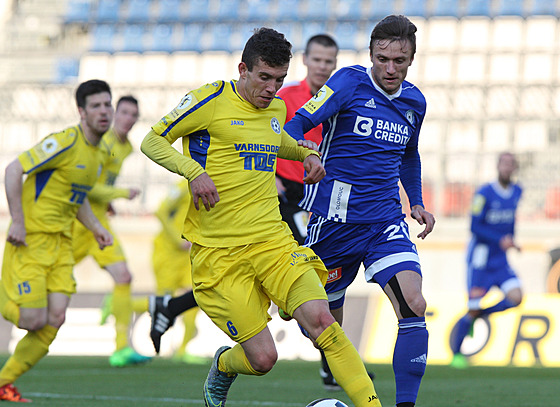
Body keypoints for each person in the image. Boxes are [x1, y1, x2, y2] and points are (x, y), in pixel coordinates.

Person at [141, 27, 381, 407]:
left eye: (280, 80)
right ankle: (224, 364)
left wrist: (306, 154)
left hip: (273, 239)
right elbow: (152, 140)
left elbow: (277, 141)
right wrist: (194, 172)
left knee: (323, 322)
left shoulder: (276, 108)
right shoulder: (210, 100)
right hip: (220, 253)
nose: (272, 88)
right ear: (243, 69)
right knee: (263, 359)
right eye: (264, 78)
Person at [283, 15, 435, 407]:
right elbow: (297, 125)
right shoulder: (348, 82)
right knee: (320, 325)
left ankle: (405, 403)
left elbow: (409, 155)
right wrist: (308, 154)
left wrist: (415, 201)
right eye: (382, 58)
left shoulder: (415, 102)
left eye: (399, 61)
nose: (390, 68)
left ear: (411, 59)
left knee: (413, 303)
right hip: (333, 222)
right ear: (371, 54)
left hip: (384, 220)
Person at [0, 80, 114, 402]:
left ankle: (3, 381)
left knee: (56, 317)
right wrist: (18, 222)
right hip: (32, 241)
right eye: (96, 106)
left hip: (61, 245)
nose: (104, 111)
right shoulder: (64, 142)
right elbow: (13, 169)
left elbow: (75, 197)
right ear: (81, 112)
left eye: (107, 104)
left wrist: (95, 228)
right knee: (32, 320)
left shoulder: (100, 151)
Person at [72, 95, 151, 367]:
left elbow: (101, 182)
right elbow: (86, 186)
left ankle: (120, 349)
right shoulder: (101, 141)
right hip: (77, 223)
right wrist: (120, 193)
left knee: (124, 276)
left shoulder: (126, 146)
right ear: (115, 113)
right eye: (125, 113)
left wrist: (109, 203)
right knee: (44, 279)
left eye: (134, 115)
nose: (129, 119)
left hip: (100, 223)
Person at [450, 152, 523, 369]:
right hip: (480, 261)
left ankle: (481, 314)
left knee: (516, 297)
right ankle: (456, 355)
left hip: (500, 260)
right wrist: (500, 239)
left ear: (515, 168)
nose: (507, 168)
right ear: (498, 166)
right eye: (504, 164)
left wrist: (511, 241)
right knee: (472, 308)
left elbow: (509, 222)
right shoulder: (484, 193)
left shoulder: (518, 191)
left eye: (511, 164)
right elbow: (474, 227)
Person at [131, 180, 206, 363]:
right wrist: (176, 239)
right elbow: (161, 211)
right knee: (164, 300)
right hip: (167, 254)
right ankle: (122, 304)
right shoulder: (184, 186)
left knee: (197, 295)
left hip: (187, 255)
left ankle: (182, 350)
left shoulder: (214, 185)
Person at [276, 34, 338, 246]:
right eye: (317, 59)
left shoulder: (339, 101)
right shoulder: (285, 96)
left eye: (328, 61)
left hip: (322, 192)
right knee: (300, 249)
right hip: (286, 190)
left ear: (335, 63)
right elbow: (264, 136)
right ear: (305, 59)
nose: (322, 66)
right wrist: (269, 177)